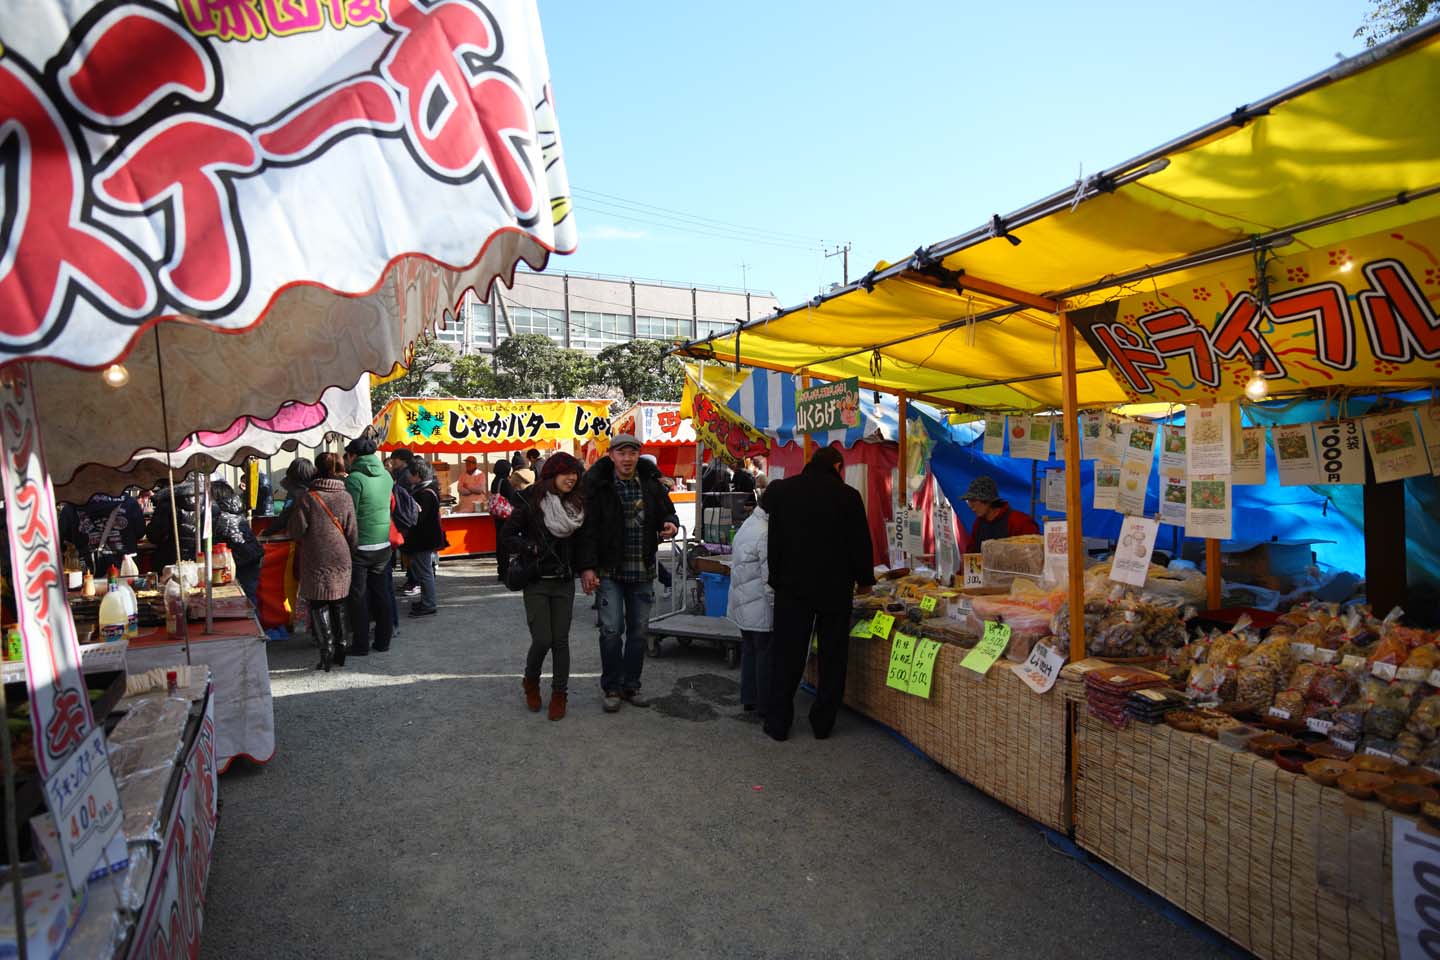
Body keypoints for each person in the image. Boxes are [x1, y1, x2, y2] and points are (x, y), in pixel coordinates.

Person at [762, 446, 875, 741]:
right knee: (833, 656)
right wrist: (865, 580)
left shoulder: (784, 492)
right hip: (834, 589)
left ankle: (778, 723)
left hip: (791, 588)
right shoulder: (849, 496)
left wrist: (776, 578)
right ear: (837, 466)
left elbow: (772, 540)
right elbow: (860, 544)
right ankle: (823, 723)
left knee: (787, 655)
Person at [576, 433, 678, 713]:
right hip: (610, 572)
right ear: (611, 456)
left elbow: (667, 512)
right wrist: (587, 567)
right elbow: (588, 531)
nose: (627, 458)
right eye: (621, 453)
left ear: (638, 455)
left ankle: (631, 685)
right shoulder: (599, 486)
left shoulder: (650, 485)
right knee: (611, 630)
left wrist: (671, 523)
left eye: (632, 453)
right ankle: (611, 686)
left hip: (643, 571)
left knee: (638, 632)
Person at [499, 452, 585, 721]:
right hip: (536, 580)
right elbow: (507, 537)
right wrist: (528, 547)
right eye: (565, 473)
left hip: (563, 581)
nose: (571, 478)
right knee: (543, 639)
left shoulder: (578, 503)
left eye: (574, 473)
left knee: (560, 641)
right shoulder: (529, 499)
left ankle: (560, 693)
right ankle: (531, 680)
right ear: (550, 475)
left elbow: (587, 540)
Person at [288, 452, 356, 671]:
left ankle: (326, 651)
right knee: (339, 601)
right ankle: (342, 646)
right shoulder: (345, 496)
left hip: (315, 556)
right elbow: (352, 530)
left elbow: (298, 530)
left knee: (318, 603)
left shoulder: (308, 497)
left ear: (316, 470)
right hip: (341, 554)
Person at [344, 434, 395, 655]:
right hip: (383, 543)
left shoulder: (354, 479)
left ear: (354, 456)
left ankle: (361, 644)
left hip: (361, 546)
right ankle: (383, 641)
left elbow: (349, 514)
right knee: (382, 593)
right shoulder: (387, 476)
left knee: (359, 597)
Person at [726, 503, 773, 716]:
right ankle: (764, 704)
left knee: (749, 650)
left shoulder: (749, 524)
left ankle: (749, 698)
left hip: (743, 602)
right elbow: (768, 578)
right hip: (759, 604)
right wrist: (777, 606)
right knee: (764, 653)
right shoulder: (765, 533)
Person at [399, 459, 446, 616]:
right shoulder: (427, 489)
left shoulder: (425, 493)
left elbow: (418, 518)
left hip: (423, 540)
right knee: (423, 571)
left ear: (417, 475)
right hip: (425, 539)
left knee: (425, 573)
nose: (408, 478)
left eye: (410, 475)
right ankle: (426, 601)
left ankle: (429, 604)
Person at [61, 491, 144, 575]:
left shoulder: (72, 505)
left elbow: (62, 540)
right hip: (124, 570)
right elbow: (140, 532)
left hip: (85, 573)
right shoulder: (130, 502)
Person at [211, 481, 264, 605]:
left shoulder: (223, 517)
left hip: (243, 561)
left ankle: (254, 621)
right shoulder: (236, 510)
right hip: (251, 557)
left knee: (248, 598)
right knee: (251, 595)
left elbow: (224, 541)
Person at [960, 476, 1039, 552]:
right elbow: (971, 555)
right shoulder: (978, 524)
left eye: (973, 500)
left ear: (987, 500)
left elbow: (1033, 555)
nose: (970, 506)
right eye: (968, 501)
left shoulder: (1020, 522)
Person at [490, 461, 517, 583]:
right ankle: (505, 571)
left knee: (499, 543)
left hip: (497, 516)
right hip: (505, 516)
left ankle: (501, 570)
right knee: (505, 544)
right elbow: (512, 497)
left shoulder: (495, 481)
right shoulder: (505, 482)